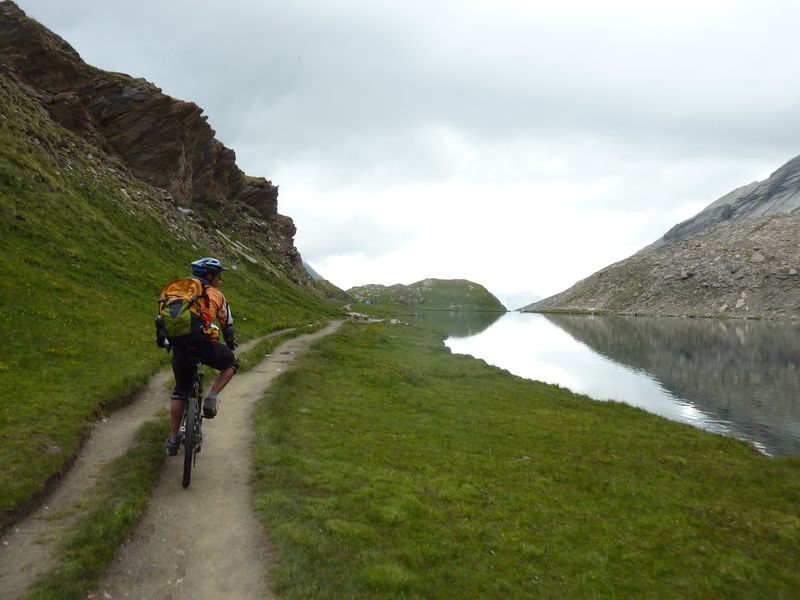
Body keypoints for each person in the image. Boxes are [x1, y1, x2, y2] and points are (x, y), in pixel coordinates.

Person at [164, 257, 239, 455]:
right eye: (219, 277)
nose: (220, 281)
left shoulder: (178, 291)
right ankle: (211, 397)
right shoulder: (217, 295)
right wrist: (230, 344)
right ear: (210, 276)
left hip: (180, 346)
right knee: (232, 363)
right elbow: (227, 325)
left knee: (181, 391)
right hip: (202, 344)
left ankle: (173, 440)